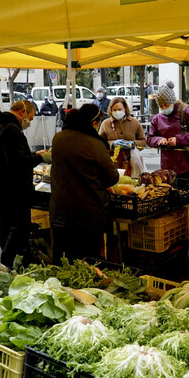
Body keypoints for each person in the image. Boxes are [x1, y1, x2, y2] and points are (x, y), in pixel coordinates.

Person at [51, 103, 119, 261]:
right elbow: (112, 177)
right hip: (87, 215)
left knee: (64, 261)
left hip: (61, 211)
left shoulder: (58, 138)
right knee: (88, 264)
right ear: (93, 123)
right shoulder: (94, 144)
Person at [0, 99, 45, 269]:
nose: (29, 122)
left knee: (6, 224)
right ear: (22, 112)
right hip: (14, 186)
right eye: (30, 118)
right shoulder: (11, 129)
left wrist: (33, 154)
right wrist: (40, 157)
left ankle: (8, 261)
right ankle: (8, 260)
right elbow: (19, 162)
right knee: (20, 226)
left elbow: (10, 156)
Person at [146, 81, 189, 180]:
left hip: (186, 165)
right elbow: (149, 139)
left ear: (173, 102)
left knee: (185, 192)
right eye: (161, 106)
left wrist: (178, 140)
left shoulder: (187, 113)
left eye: (166, 105)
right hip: (167, 166)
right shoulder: (157, 119)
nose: (164, 108)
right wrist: (159, 140)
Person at [98, 97, 146, 177]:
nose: (117, 112)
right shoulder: (105, 123)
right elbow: (99, 144)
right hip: (112, 165)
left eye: (119, 109)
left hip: (131, 163)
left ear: (125, 109)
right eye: (114, 110)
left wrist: (133, 144)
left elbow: (143, 141)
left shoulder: (134, 122)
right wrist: (112, 144)